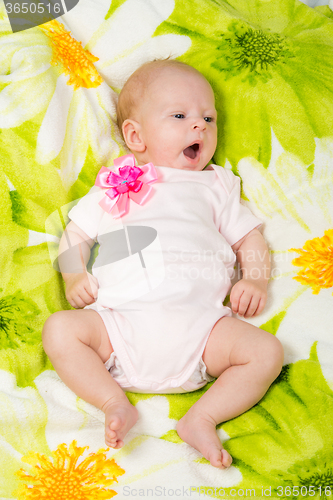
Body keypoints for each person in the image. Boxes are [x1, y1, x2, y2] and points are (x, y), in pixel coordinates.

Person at [42, 59, 284, 469]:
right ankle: (112, 400)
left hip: (203, 333)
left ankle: (203, 416)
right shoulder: (116, 181)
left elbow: (250, 239)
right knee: (60, 329)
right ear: (135, 135)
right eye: (180, 116)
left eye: (209, 117)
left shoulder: (216, 186)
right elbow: (76, 234)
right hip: (118, 328)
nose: (200, 126)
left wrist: (256, 280)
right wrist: (74, 274)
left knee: (266, 352)